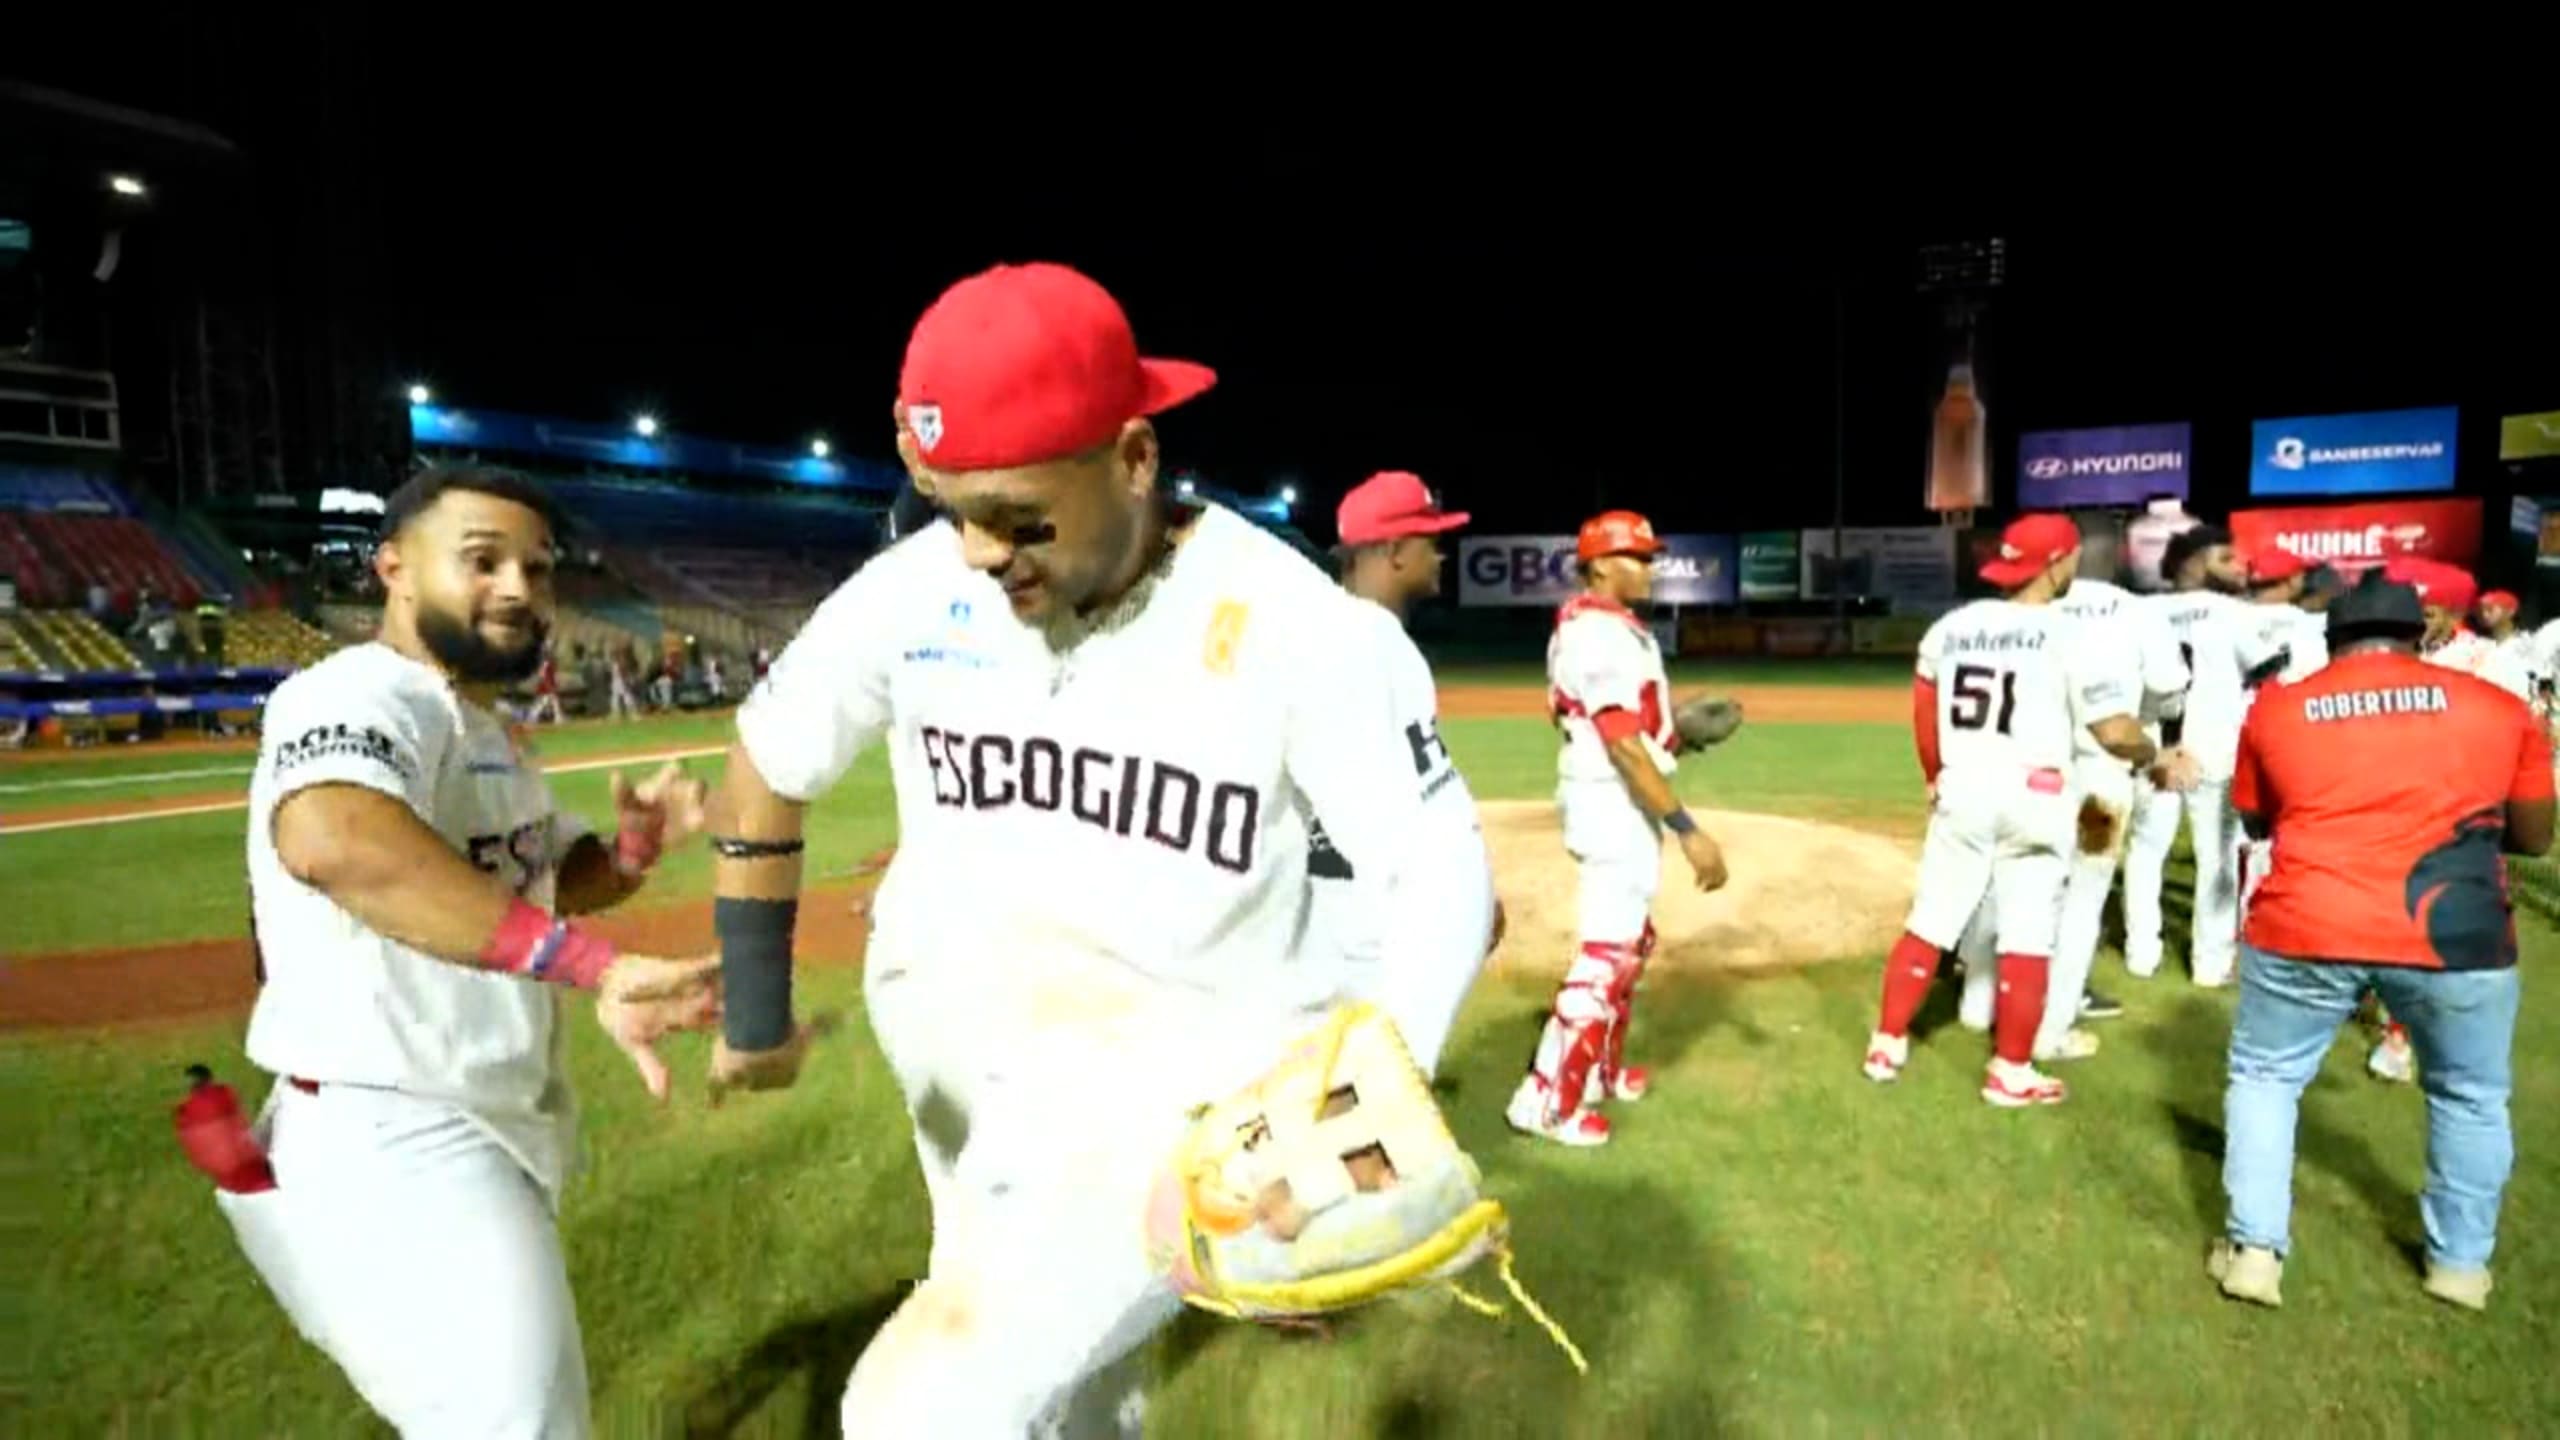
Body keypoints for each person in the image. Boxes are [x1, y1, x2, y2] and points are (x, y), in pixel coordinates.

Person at [697, 261, 1466, 1434]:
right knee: (1068, 1395)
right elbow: (768, 761)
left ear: (1135, 458)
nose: (977, 551)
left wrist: (1363, 1103)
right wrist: (755, 1017)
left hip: (1166, 1081)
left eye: (1018, 517)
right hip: (961, 1063)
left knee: (923, 1410)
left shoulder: (1292, 623)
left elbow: (1437, 866)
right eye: (951, 510)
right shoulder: (912, 593)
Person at [202, 465, 720, 1437]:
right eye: (482, 560)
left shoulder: (482, 725)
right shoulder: (357, 691)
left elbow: (540, 876)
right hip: (393, 1126)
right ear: (393, 568)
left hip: (466, 1112)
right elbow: (335, 837)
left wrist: (630, 854)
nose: (518, 587)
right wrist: (595, 967)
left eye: (538, 567)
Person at [2210, 568, 2550, 1311]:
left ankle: (2254, 1254)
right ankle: (2459, 1268)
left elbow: (2259, 819)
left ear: (2332, 640)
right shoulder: (2499, 706)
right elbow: (2534, 837)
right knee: (2469, 1096)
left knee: (2267, 1078)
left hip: (2310, 917)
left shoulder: (2279, 707)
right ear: (2417, 636)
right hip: (2455, 928)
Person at [1863, 513, 2156, 1106]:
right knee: (2029, 936)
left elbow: (1924, 712)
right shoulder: (2071, 633)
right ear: (2056, 562)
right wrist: (2154, 753)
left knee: (1930, 921)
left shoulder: (1951, 628)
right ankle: (2010, 1071)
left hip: (1964, 788)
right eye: (2071, 557)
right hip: (2036, 795)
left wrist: (1934, 775)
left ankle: (1886, 1045)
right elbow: (2113, 731)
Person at [1509, 508, 1729, 1144]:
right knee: (1607, 952)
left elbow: (1632, 732)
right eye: (1637, 557)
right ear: (1601, 565)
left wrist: (1677, 733)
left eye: (1650, 556)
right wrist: (1686, 827)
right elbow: (1622, 745)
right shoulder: (1597, 637)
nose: (1650, 568)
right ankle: (1545, 1102)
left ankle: (1599, 1073)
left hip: (1617, 798)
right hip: (1610, 803)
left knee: (1632, 942)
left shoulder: (1609, 629)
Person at [1303, 469, 1500, 1074]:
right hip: (1394, 913)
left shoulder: (1358, 633)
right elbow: (1345, 801)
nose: (1440, 554)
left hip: (1405, 898)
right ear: (1393, 551)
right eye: (1429, 540)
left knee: (1367, 1081)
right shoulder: (1354, 640)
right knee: (1382, 1090)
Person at [1955, 563, 2193, 1057]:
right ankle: (2050, 1032)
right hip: (2101, 785)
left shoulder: (2025, 609)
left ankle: (1978, 1006)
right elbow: (2170, 690)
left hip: (2031, 776)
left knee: (2005, 882)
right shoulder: (2138, 611)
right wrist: (2152, 739)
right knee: (2081, 902)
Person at [2122, 525, 2285, 988]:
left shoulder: (2140, 610)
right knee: (2217, 859)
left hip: (2156, 750)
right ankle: (2209, 965)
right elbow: (2268, 671)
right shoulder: (2234, 612)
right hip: (2216, 753)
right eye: (2225, 558)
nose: (2239, 567)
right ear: (2192, 561)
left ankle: (2140, 955)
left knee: (2145, 852)